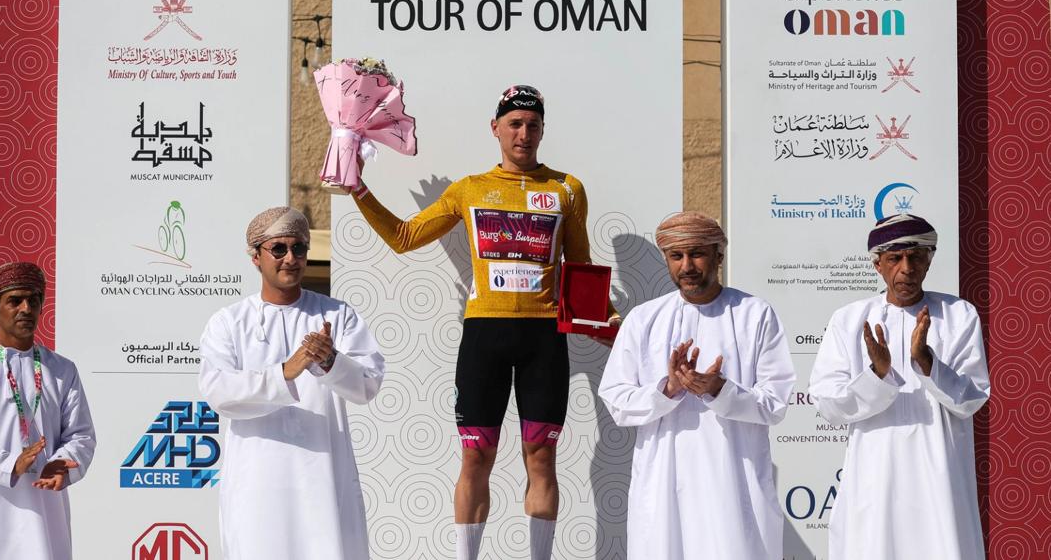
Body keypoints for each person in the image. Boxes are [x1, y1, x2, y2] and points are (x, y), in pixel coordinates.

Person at [344, 84, 617, 560]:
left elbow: (580, 265)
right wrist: (358, 189)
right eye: (514, 123)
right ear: (495, 129)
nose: (524, 133)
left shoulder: (566, 189)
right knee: (475, 457)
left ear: (543, 130)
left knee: (541, 457)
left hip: (544, 338)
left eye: (533, 125)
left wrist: (605, 318)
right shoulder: (469, 189)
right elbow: (406, 237)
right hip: (484, 336)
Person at [598, 212, 794, 560]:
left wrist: (719, 390)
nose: (687, 265)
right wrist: (668, 389)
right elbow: (617, 401)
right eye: (677, 256)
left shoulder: (755, 314)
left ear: (719, 256)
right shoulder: (644, 320)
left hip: (734, 486)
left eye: (697, 254)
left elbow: (775, 403)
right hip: (664, 486)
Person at [198, 206, 385, 560]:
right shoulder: (228, 322)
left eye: (298, 248)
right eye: (278, 249)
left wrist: (330, 361)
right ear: (256, 257)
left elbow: (368, 385)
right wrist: (286, 371)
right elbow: (219, 393)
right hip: (257, 482)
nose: (290, 258)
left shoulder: (337, 315)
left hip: (322, 479)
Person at [810, 213, 989, 559]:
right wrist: (878, 375)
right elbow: (829, 405)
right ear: (878, 265)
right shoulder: (849, 320)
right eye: (895, 258)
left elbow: (972, 398)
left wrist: (927, 362)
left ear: (929, 260)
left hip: (939, 479)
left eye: (916, 256)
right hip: (875, 478)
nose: (906, 267)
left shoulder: (958, 314)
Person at [0, 261, 96, 560]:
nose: (26, 308)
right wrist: (11, 463)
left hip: (44, 514)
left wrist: (63, 462)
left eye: (33, 300)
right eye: (15, 301)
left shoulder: (62, 370)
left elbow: (81, 435)